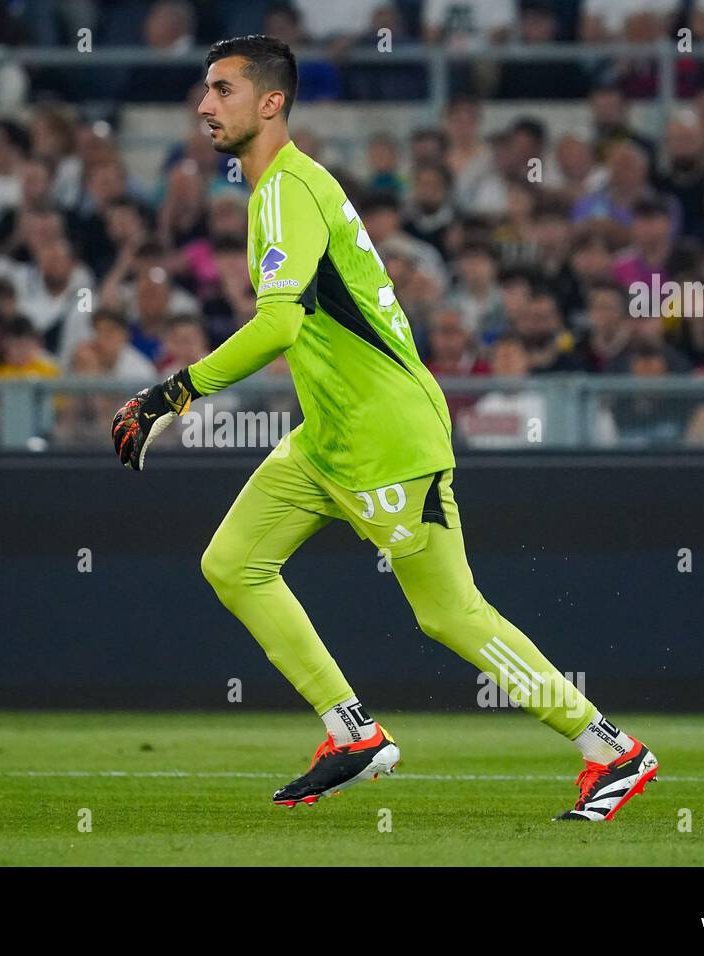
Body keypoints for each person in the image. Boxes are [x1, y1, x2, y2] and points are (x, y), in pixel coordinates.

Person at [111, 35, 658, 820]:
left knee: (449, 613)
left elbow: (275, 327)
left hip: (385, 439)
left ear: (271, 102)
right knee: (233, 563)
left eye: (223, 90)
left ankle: (611, 747)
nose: (204, 105)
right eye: (205, 90)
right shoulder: (279, 188)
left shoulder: (288, 190)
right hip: (326, 437)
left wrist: (170, 395)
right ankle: (352, 732)